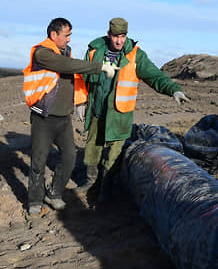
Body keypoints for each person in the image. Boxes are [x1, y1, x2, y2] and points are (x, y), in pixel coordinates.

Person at [78, 17, 191, 200]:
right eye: (115, 36)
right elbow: (81, 77)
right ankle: (91, 181)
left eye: (123, 36)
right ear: (109, 35)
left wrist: (174, 90)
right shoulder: (94, 50)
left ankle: (106, 189)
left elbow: (154, 75)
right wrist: (80, 102)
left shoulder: (135, 55)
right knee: (92, 149)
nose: (119, 41)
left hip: (120, 114)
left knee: (114, 155)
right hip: (98, 110)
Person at [22, 17, 117, 215]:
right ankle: (34, 200)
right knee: (38, 162)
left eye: (70, 35)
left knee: (69, 158)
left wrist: (80, 102)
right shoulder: (42, 53)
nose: (69, 40)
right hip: (44, 118)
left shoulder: (66, 52)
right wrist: (100, 67)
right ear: (53, 34)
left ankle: (54, 194)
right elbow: (68, 66)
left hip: (64, 117)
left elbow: (74, 77)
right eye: (66, 36)